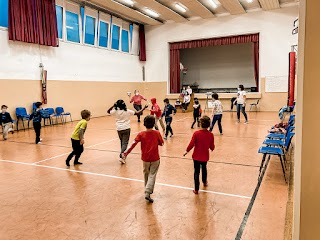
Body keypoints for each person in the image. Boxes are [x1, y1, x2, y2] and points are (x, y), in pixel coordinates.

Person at [122, 115, 164, 203]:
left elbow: (133, 144)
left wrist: (126, 153)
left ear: (144, 124)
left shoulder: (141, 134)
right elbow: (161, 143)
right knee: (152, 174)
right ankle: (148, 192)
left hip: (145, 158)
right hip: (155, 158)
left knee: (146, 174)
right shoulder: (156, 133)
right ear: (153, 124)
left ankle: (146, 191)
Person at [107, 100, 147, 164]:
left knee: (122, 142)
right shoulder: (127, 111)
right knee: (125, 143)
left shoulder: (115, 111)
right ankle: (122, 156)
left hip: (119, 128)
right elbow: (138, 113)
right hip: (126, 128)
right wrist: (144, 108)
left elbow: (108, 111)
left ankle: (122, 154)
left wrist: (113, 106)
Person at [184, 116, 215, 194]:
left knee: (196, 172)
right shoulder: (210, 135)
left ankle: (196, 189)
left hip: (196, 156)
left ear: (200, 124)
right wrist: (211, 147)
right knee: (204, 169)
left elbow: (191, 144)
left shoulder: (196, 133)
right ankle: (204, 182)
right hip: (205, 156)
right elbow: (212, 147)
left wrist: (186, 151)